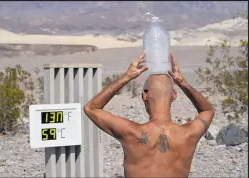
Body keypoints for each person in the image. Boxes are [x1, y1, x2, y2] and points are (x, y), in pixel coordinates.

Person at [84, 51, 215, 177]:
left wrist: (127, 76)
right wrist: (182, 82)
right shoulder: (188, 134)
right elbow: (208, 110)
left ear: (144, 96)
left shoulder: (131, 132)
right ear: (174, 95)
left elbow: (91, 108)